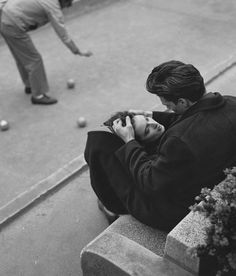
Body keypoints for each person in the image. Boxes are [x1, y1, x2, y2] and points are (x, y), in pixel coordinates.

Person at [85, 60, 236, 231]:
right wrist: (149, 114)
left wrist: (129, 141)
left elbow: (150, 182)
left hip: (178, 208)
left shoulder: (179, 141)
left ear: (182, 102)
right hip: (215, 178)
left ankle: (112, 206)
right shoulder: (231, 104)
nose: (167, 109)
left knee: (99, 145)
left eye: (167, 105)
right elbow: (199, 119)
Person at [0, 0, 92, 105]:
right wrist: (77, 50)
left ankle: (30, 85)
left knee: (21, 56)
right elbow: (62, 33)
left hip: (4, 19)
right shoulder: (53, 6)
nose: (67, 7)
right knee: (35, 59)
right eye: (68, 3)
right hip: (12, 24)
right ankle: (38, 95)